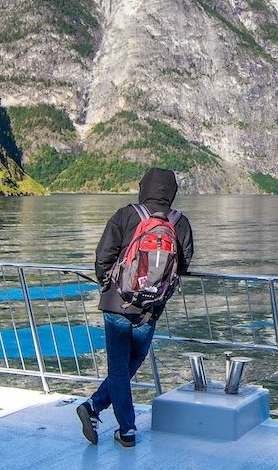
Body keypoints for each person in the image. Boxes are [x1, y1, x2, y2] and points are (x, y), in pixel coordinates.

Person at [76, 168, 194, 448]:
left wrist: (108, 283)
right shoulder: (180, 222)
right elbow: (184, 264)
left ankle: (114, 420)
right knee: (134, 361)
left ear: (144, 187)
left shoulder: (126, 215)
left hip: (117, 302)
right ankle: (104, 413)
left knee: (119, 366)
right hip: (150, 307)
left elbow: (103, 256)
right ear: (172, 191)